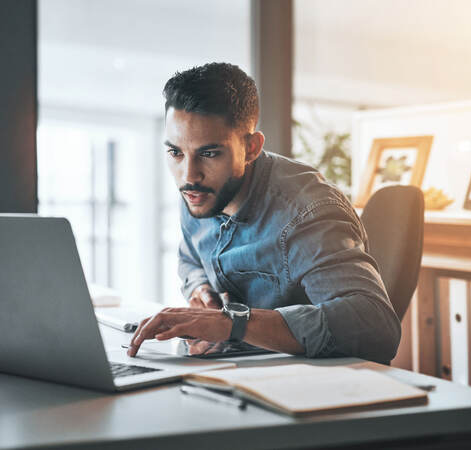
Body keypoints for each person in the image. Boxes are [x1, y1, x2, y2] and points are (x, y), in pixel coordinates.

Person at [127, 63, 400, 363]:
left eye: (209, 153)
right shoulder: (199, 190)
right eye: (175, 152)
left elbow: (377, 329)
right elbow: (191, 259)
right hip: (230, 373)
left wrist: (232, 323)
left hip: (311, 385)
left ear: (251, 147)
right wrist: (203, 293)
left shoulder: (308, 212)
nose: (188, 174)